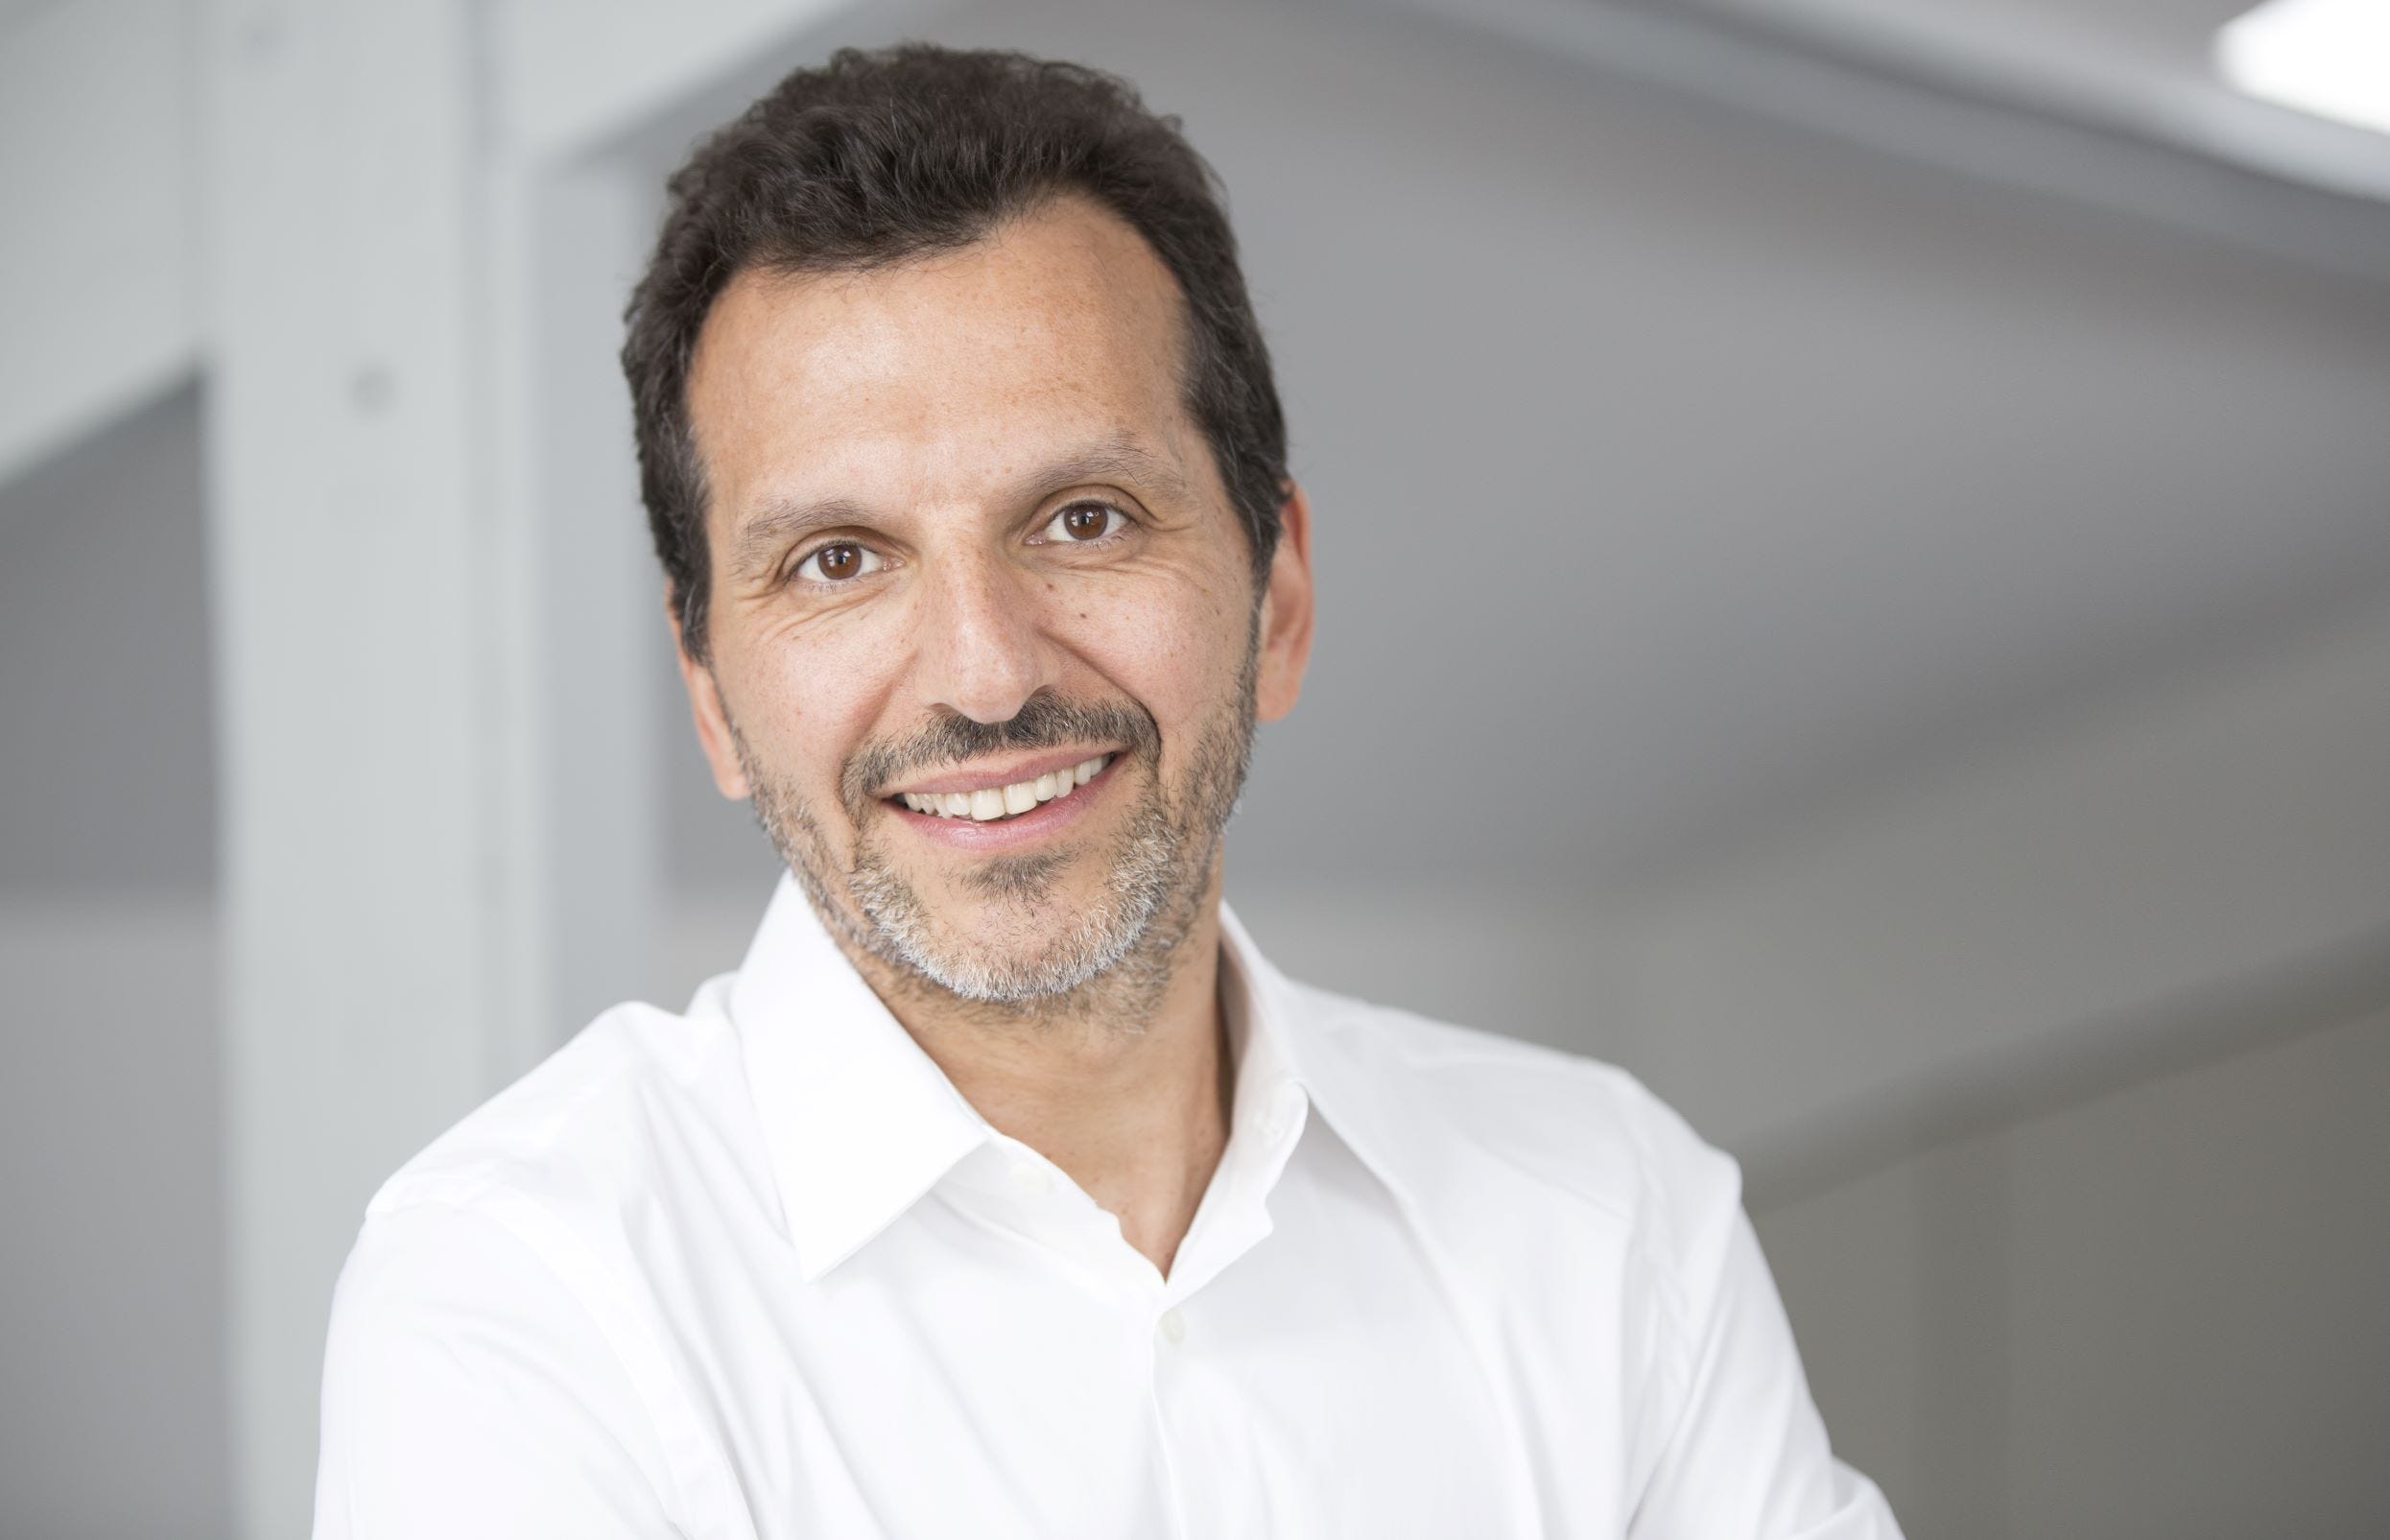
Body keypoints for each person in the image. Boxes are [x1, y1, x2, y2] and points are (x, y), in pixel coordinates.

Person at [313, 43, 1900, 1539]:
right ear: (713, 696)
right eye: (839, 560)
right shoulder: (529, 1293)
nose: (987, 674)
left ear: (1277, 596)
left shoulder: (1607, 1218)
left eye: (1083, 517)